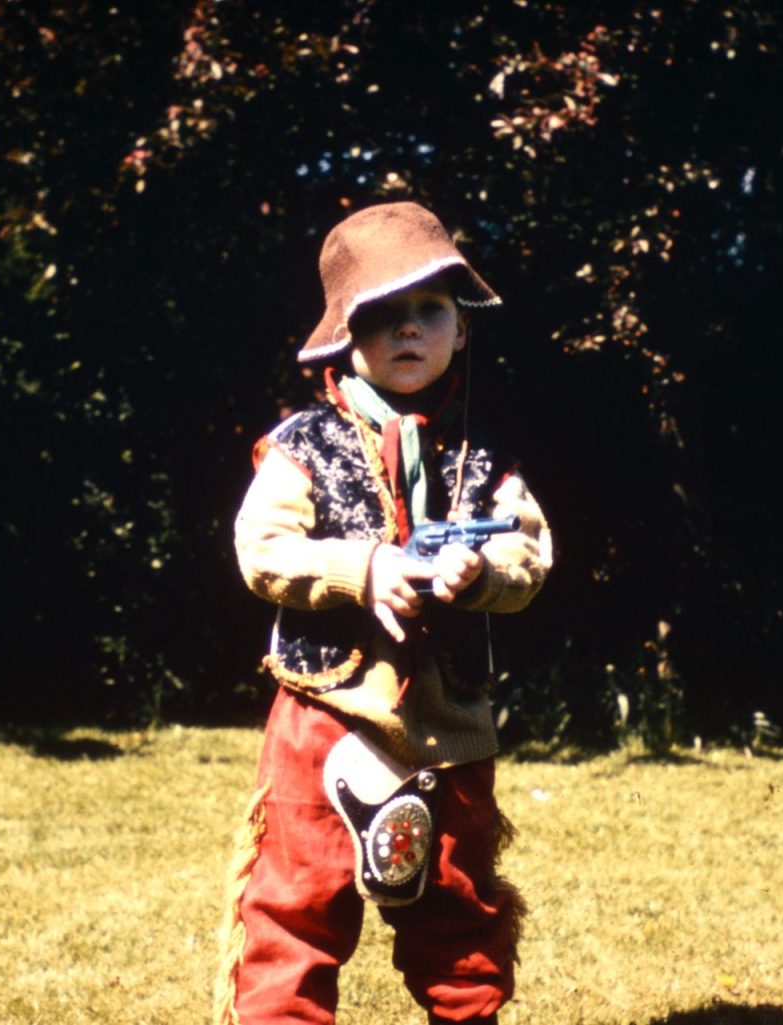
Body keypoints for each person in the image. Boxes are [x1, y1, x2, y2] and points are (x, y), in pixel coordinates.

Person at [217, 201, 552, 1025]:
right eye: (384, 315)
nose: (410, 331)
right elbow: (260, 547)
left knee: (459, 908)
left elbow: (531, 554)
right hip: (324, 711)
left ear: (461, 329)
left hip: (448, 722)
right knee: (294, 908)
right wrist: (359, 567)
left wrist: (482, 574)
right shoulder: (304, 443)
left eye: (430, 310)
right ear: (345, 335)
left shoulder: (486, 455)